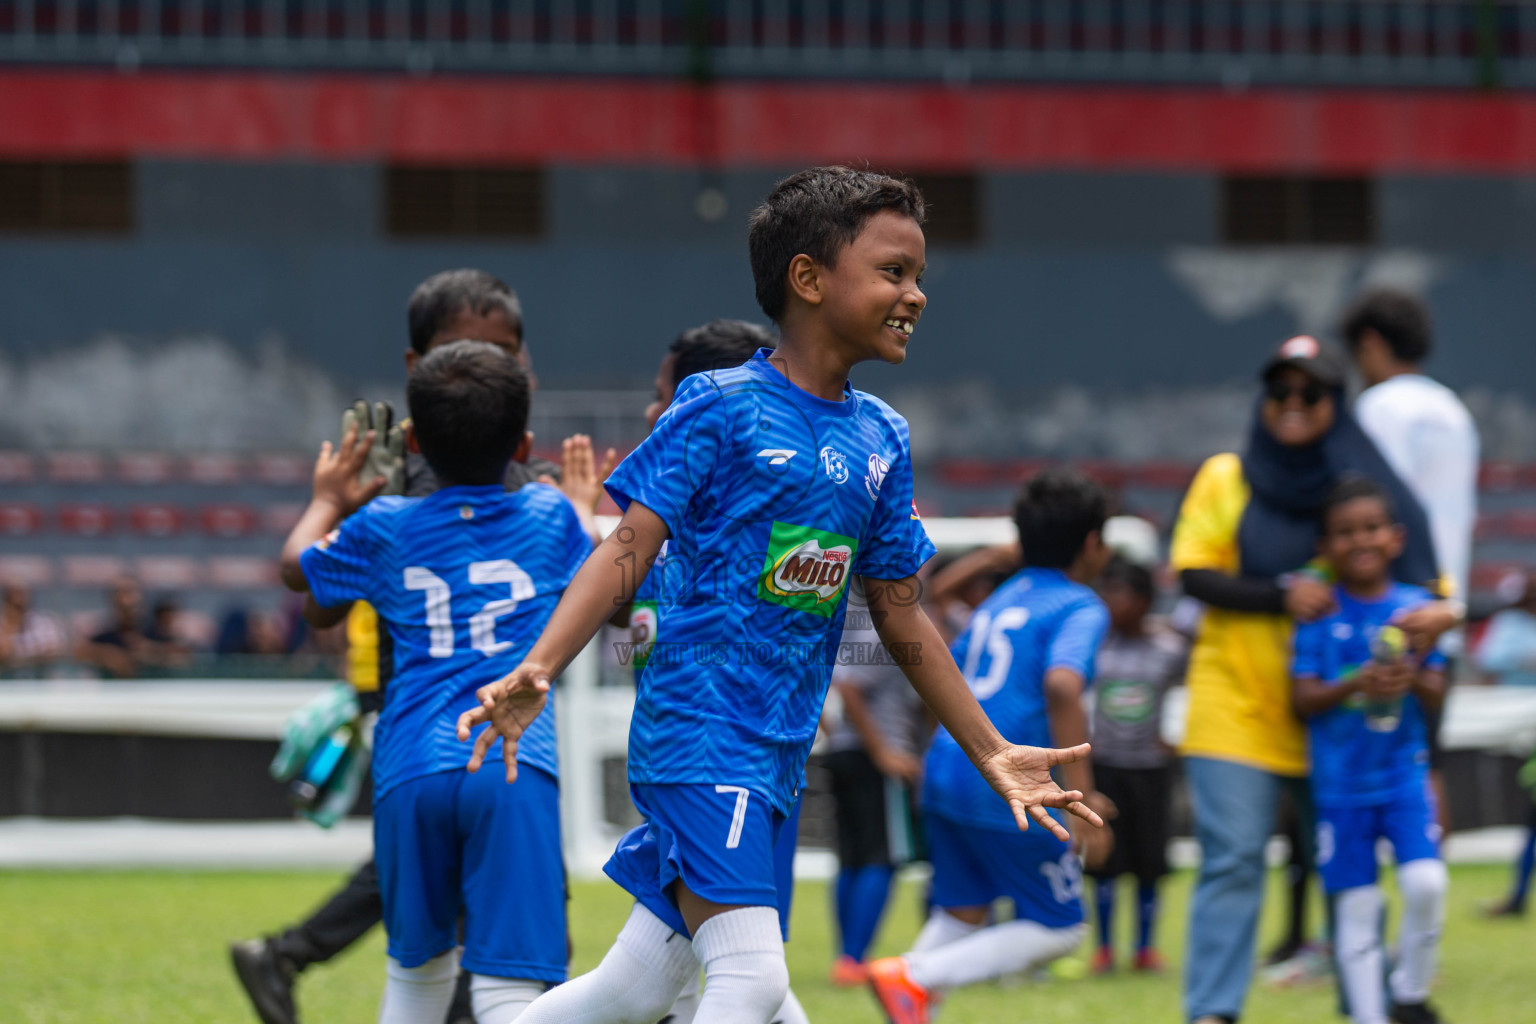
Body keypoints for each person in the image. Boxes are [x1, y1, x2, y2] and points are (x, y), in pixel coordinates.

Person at [456, 166, 1104, 1024]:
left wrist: (991, 750)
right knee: (754, 981)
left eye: (917, 274)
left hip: (777, 750)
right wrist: (539, 667)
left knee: (638, 987)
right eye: (892, 271)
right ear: (808, 279)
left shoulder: (882, 435)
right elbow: (628, 545)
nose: (915, 294)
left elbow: (901, 611)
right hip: (701, 730)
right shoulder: (718, 407)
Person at [231, 268, 609, 1024]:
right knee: (512, 985)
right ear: (525, 440)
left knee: (416, 976)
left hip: (409, 763)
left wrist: (328, 502)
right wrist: (580, 507)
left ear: (411, 432)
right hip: (509, 760)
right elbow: (609, 577)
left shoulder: (383, 522)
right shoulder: (546, 515)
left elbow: (298, 576)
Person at [1172, 334, 1454, 1024]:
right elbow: (1193, 573)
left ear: (1336, 404)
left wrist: (1435, 623)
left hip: (1338, 716)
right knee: (1235, 859)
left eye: (1312, 395)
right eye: (1281, 393)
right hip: (1236, 704)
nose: (1293, 406)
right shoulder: (1226, 475)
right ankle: (1213, 1011)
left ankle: (1370, 1004)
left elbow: (1429, 593)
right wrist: (1279, 595)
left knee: (1345, 871)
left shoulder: (1368, 489)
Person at [864, 467, 1114, 1024]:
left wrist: (991, 560)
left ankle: (908, 986)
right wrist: (1081, 798)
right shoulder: (1079, 605)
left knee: (963, 910)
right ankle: (915, 977)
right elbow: (1062, 684)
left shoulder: (1005, 594)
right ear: (1094, 543)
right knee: (1061, 928)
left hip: (950, 767)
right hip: (1007, 779)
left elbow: (935, 605)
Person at [627, 317, 812, 1024]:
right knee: (747, 971)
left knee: (649, 984)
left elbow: (793, 622)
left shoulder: (767, 513)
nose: (654, 414)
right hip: (714, 756)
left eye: (664, 397)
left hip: (756, 758)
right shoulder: (672, 533)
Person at [1291, 477, 1449, 1024]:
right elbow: (1303, 697)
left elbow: (1438, 686)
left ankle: (1409, 991)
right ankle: (1368, 1016)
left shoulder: (1416, 610)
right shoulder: (1318, 612)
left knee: (1426, 882)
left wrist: (1411, 679)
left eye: (1372, 528)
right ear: (1326, 546)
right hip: (1339, 785)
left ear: (1397, 538)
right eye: (1344, 532)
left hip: (1404, 776)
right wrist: (1355, 683)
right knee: (1357, 907)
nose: (1360, 540)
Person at [1344, 288, 1478, 840]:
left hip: (1389, 608)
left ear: (1371, 342)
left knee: (1358, 762)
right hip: (1443, 608)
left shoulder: (1378, 409)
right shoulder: (1453, 409)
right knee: (1430, 764)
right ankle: (1428, 898)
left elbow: (1368, 508)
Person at [824, 576, 928, 986]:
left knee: (851, 858)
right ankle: (853, 956)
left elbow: (833, 677)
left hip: (846, 753)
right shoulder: (883, 622)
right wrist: (883, 750)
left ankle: (846, 957)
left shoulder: (850, 618)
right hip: (875, 759)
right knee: (881, 858)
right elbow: (850, 687)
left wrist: (834, 733)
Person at [1087, 555, 1185, 974]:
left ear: (1145, 601)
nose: (1113, 603)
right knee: (1106, 861)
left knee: (1149, 862)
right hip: (1105, 765)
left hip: (1150, 769)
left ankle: (1145, 949)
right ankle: (1105, 949)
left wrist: (1177, 739)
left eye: (1122, 595)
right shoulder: (1093, 645)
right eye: (1107, 593)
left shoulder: (1169, 648)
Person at [1476, 569, 1536, 918]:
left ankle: (1516, 898)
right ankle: (1517, 897)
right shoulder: (1507, 622)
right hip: (1518, 731)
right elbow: (1489, 658)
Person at [0, 581, 68, 677]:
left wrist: (17, 658)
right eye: (14, 603)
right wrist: (11, 626)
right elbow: (3, 654)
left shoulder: (44, 623)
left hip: (39, 680)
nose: (19, 600)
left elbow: (55, 652)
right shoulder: (3, 626)